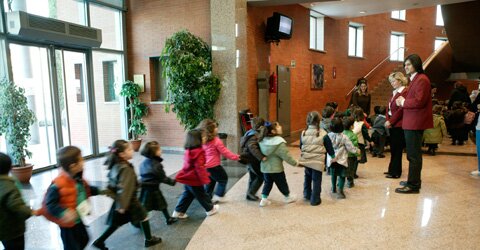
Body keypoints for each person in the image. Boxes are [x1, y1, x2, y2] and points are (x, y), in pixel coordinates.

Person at [93, 140, 162, 249]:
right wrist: (122, 206)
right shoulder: (126, 169)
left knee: (115, 224)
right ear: (122, 154)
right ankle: (149, 240)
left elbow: (113, 183)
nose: (132, 151)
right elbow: (126, 188)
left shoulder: (116, 165)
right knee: (144, 216)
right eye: (129, 149)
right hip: (129, 201)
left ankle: (99, 241)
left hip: (120, 201)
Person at [40, 146, 101, 250]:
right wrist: (64, 212)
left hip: (77, 219)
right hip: (67, 225)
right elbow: (49, 204)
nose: (84, 161)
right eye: (81, 159)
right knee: (72, 246)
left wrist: (100, 191)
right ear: (73, 166)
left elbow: (85, 189)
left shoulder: (76, 177)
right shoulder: (57, 185)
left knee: (84, 239)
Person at [395, 54, 433, 194]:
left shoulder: (422, 79)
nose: (406, 67)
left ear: (416, 64)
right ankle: (412, 180)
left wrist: (403, 102)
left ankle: (413, 185)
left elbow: (419, 101)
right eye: (405, 65)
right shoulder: (415, 79)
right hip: (411, 121)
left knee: (414, 155)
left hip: (415, 122)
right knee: (412, 154)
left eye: (409, 64)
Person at [172, 129, 219, 218]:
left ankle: (178, 211)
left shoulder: (188, 150)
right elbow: (199, 168)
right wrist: (205, 179)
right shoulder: (199, 152)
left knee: (187, 195)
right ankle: (210, 209)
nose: (205, 138)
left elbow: (186, 165)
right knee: (202, 195)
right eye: (203, 137)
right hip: (195, 179)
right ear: (198, 139)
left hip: (187, 178)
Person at [198, 119, 240, 203]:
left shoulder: (202, 140)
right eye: (215, 127)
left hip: (205, 166)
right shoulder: (216, 141)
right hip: (214, 166)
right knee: (223, 179)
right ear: (211, 129)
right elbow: (225, 152)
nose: (217, 128)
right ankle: (218, 196)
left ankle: (207, 198)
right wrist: (236, 157)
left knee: (210, 182)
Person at [258, 121, 300, 207]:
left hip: (265, 168)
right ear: (273, 131)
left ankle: (264, 199)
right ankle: (287, 196)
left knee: (268, 182)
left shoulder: (262, 140)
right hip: (276, 168)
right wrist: (295, 163)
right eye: (278, 126)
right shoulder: (279, 142)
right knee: (281, 182)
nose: (280, 127)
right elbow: (286, 156)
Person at [0, 153, 35, 250]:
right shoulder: (9, 187)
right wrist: (30, 211)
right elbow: (17, 206)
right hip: (13, 230)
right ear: (10, 168)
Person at [139, 141, 177, 225]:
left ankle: (168, 218)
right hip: (153, 189)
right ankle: (139, 222)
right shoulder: (157, 165)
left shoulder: (143, 163)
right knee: (159, 205)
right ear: (154, 153)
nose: (161, 150)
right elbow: (162, 178)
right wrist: (173, 181)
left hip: (144, 188)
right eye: (159, 149)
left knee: (147, 206)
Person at [298, 111, 332, 206]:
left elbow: (301, 146)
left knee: (307, 177)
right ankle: (315, 199)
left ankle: (307, 194)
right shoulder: (323, 133)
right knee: (316, 180)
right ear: (319, 121)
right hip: (318, 162)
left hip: (307, 160)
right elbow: (329, 147)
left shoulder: (303, 133)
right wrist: (333, 156)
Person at [327, 118, 359, 199]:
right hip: (342, 160)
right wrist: (357, 151)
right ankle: (340, 191)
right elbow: (350, 147)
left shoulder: (328, 136)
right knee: (342, 176)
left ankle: (333, 188)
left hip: (332, 160)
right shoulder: (344, 137)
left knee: (333, 175)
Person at [384, 72, 408, 179]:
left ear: (400, 80)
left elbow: (401, 110)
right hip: (393, 124)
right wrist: (387, 120)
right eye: (391, 81)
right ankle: (392, 169)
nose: (392, 83)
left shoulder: (404, 91)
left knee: (397, 149)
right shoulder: (395, 92)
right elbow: (388, 109)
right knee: (393, 148)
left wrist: (391, 121)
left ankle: (395, 172)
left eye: (394, 81)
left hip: (399, 125)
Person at [240, 117, 266, 201]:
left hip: (249, 159)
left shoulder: (249, 132)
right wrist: (261, 157)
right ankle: (251, 193)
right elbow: (253, 147)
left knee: (253, 176)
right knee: (260, 176)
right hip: (252, 159)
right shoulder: (254, 135)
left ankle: (249, 193)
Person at [342, 116, 360, 188]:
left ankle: (340, 182)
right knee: (350, 170)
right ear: (351, 126)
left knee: (343, 169)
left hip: (342, 155)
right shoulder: (353, 135)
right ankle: (350, 182)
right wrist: (358, 154)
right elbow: (354, 146)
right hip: (351, 156)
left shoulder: (341, 134)